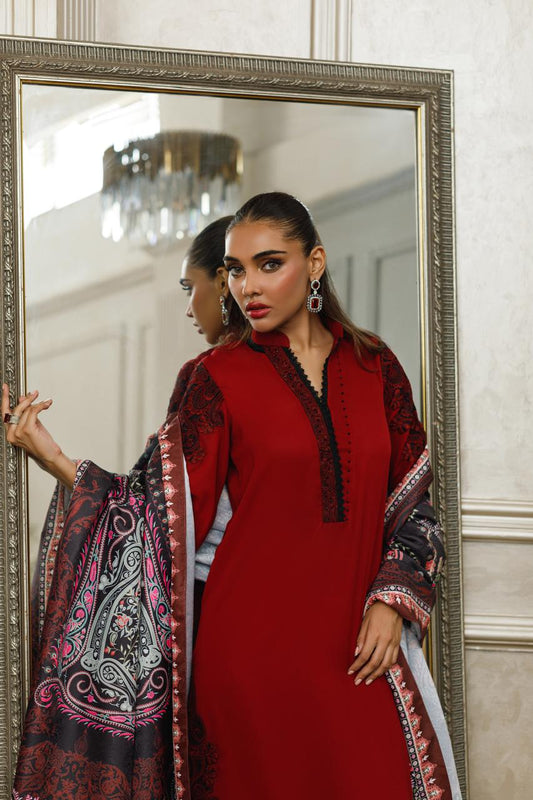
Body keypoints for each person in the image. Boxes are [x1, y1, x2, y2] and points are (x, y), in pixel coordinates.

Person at [3, 194, 461, 800]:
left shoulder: (376, 366)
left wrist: (392, 601)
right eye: (236, 270)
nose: (249, 287)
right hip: (247, 664)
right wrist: (52, 456)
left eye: (269, 265)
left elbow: (415, 507)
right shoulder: (214, 377)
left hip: (358, 649)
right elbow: (152, 512)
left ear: (315, 263)